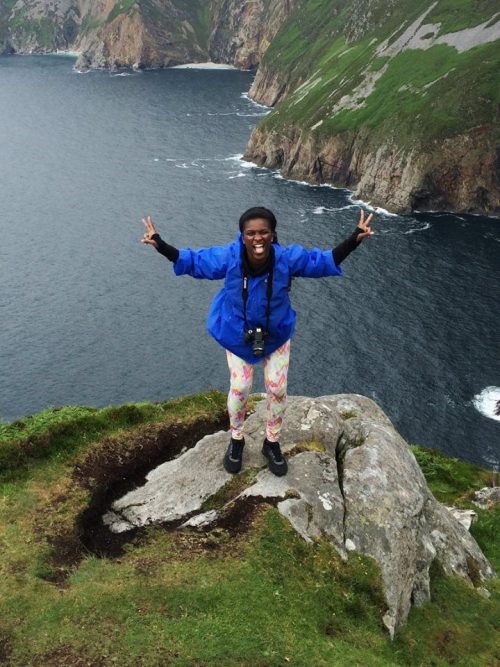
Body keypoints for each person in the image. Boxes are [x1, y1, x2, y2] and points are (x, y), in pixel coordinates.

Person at [140, 206, 374, 477]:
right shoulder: (229, 257)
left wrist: (353, 240)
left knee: (277, 389)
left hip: (275, 334)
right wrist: (161, 245)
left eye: (263, 232)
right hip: (237, 333)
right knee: (240, 387)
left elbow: (320, 261)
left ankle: (271, 442)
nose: (257, 238)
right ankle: (236, 438)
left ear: (273, 235)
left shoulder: (285, 258)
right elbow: (194, 261)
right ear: (242, 236)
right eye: (250, 233)